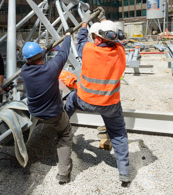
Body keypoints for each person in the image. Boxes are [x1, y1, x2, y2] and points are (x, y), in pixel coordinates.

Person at [65, 19, 131, 184]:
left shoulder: (87, 50)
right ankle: (124, 172)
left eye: (95, 36)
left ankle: (63, 122)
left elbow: (80, 41)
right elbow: (119, 43)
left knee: (71, 99)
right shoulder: (120, 53)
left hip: (85, 101)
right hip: (110, 104)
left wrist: (83, 26)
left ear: (100, 38)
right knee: (118, 134)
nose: (93, 38)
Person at [21, 34, 74, 184]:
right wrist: (68, 37)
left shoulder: (25, 70)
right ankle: (63, 174)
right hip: (53, 114)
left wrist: (45, 49)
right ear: (40, 56)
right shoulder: (51, 68)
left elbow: (34, 58)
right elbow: (63, 53)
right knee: (65, 135)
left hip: (36, 113)